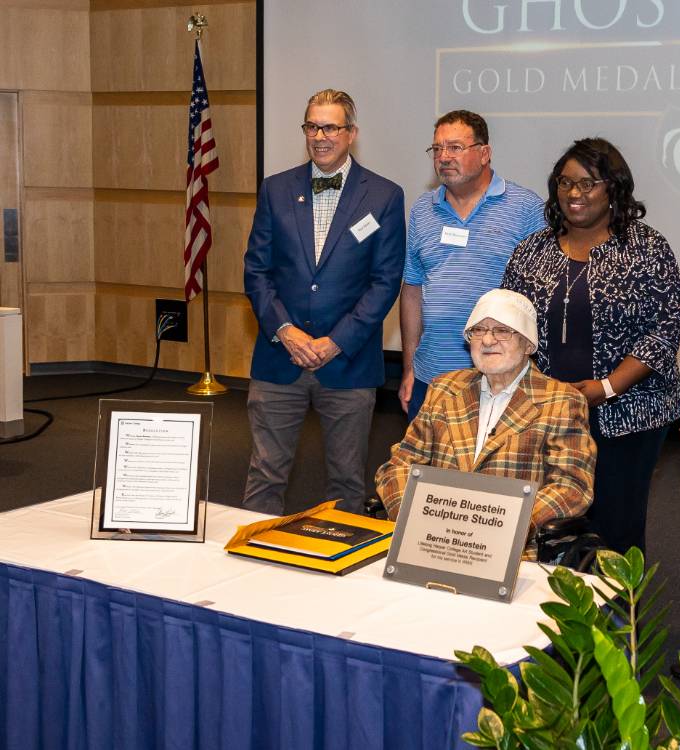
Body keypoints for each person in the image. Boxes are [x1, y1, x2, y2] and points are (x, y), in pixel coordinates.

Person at [501, 137, 680, 555]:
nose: (574, 194)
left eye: (587, 184)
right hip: (545, 412)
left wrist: (606, 387)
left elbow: (663, 331)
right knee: (547, 525)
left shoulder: (646, 248)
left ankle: (617, 618)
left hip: (626, 415)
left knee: (614, 528)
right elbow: (510, 321)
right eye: (565, 183)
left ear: (613, 188)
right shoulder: (533, 250)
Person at [243, 89, 405, 515]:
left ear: (351, 133)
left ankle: (338, 576)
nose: (320, 136)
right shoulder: (276, 190)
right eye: (312, 126)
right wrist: (285, 330)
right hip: (280, 358)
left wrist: (336, 341)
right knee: (265, 476)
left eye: (330, 126)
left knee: (346, 483)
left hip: (347, 363)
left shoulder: (384, 197)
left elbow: (384, 282)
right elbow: (256, 270)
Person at [375, 289, 595, 556]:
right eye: (478, 331)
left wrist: (507, 525)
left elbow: (572, 487)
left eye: (502, 330)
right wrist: (412, 516)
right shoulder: (444, 390)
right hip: (432, 543)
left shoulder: (561, 401)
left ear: (528, 344)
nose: (488, 340)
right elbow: (398, 466)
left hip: (512, 552)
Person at [399, 110, 545, 422]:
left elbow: (542, 301)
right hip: (430, 378)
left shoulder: (526, 209)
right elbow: (412, 290)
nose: (443, 157)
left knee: (490, 471)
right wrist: (408, 369)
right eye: (437, 149)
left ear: (484, 153)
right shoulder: (422, 209)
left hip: (500, 380)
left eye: (455, 148)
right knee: (425, 469)